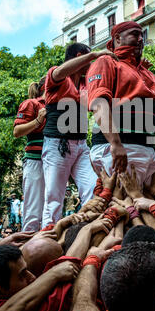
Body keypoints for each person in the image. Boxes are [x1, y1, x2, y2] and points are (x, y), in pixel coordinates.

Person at [87, 21, 155, 187]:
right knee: (124, 207)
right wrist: (115, 143)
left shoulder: (149, 75)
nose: (141, 39)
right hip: (117, 147)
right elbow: (99, 103)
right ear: (118, 39)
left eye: (142, 35)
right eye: (135, 34)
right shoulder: (105, 62)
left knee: (151, 207)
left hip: (148, 149)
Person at [41, 43, 114, 228]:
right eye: (89, 59)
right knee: (54, 197)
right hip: (58, 144)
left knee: (92, 189)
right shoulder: (57, 77)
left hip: (81, 146)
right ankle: (47, 238)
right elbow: (60, 71)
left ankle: (89, 230)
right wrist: (95, 54)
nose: (92, 64)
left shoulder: (85, 84)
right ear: (80, 56)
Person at [14, 77, 47, 231]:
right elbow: (17, 131)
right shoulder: (31, 103)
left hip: (53, 161)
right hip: (35, 160)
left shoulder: (57, 105)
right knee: (33, 211)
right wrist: (38, 121)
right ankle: (28, 247)